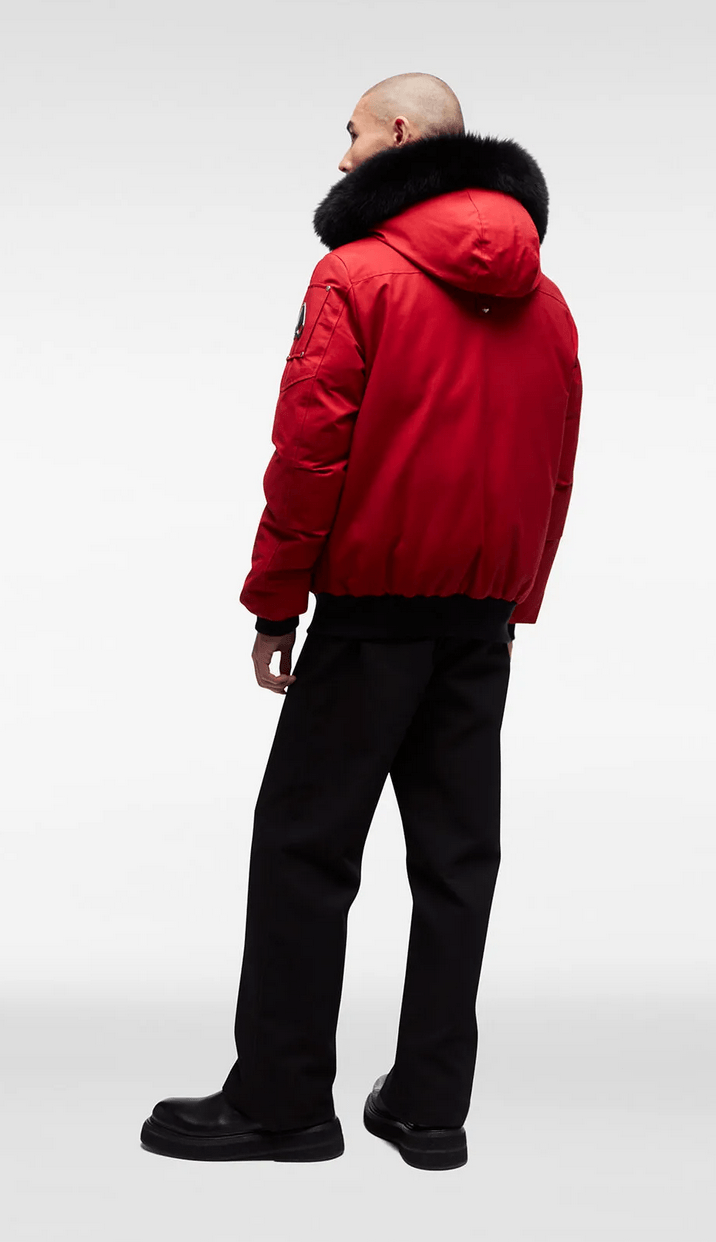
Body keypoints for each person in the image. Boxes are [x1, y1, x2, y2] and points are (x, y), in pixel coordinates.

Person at [140, 72, 582, 1171]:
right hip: (477, 622)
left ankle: (282, 1103)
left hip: (372, 615)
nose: (341, 158)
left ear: (396, 133)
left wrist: (274, 601)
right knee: (456, 859)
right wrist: (511, 601)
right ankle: (429, 1108)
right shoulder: (548, 299)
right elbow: (553, 465)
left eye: (349, 134)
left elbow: (310, 451)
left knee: (304, 846)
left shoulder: (357, 274)